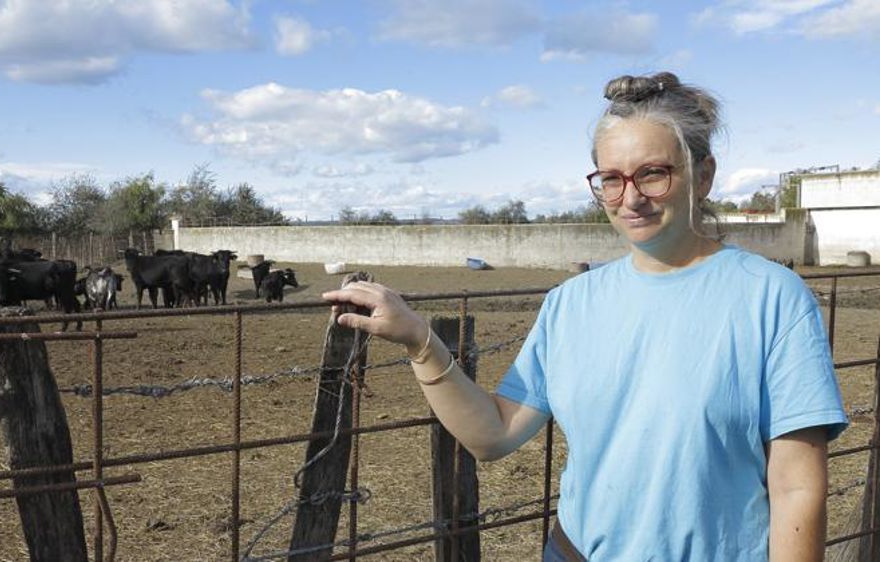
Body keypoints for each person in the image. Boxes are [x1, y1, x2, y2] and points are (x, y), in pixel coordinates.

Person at [322, 71, 847, 561]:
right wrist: (419, 341)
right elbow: (494, 435)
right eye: (611, 179)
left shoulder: (773, 298)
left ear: (703, 175)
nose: (631, 198)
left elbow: (797, 485)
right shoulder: (572, 303)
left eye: (653, 174)